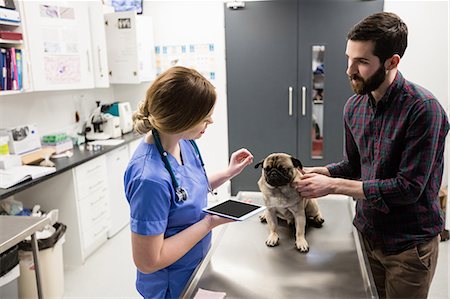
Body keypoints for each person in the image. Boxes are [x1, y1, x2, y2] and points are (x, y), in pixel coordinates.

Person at [294, 12, 449, 298]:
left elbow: (408, 188)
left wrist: (334, 186)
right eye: (348, 58)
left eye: (362, 62)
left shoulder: (424, 110)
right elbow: (354, 166)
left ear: (392, 62)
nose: (349, 70)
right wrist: (323, 172)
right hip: (366, 235)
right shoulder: (354, 107)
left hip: (408, 247)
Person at [124, 66, 253, 298]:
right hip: (170, 287)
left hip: (195, 267)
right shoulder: (149, 179)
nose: (211, 121)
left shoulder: (183, 142)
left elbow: (187, 191)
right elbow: (148, 261)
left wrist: (228, 173)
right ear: (181, 119)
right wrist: (209, 223)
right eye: (205, 117)